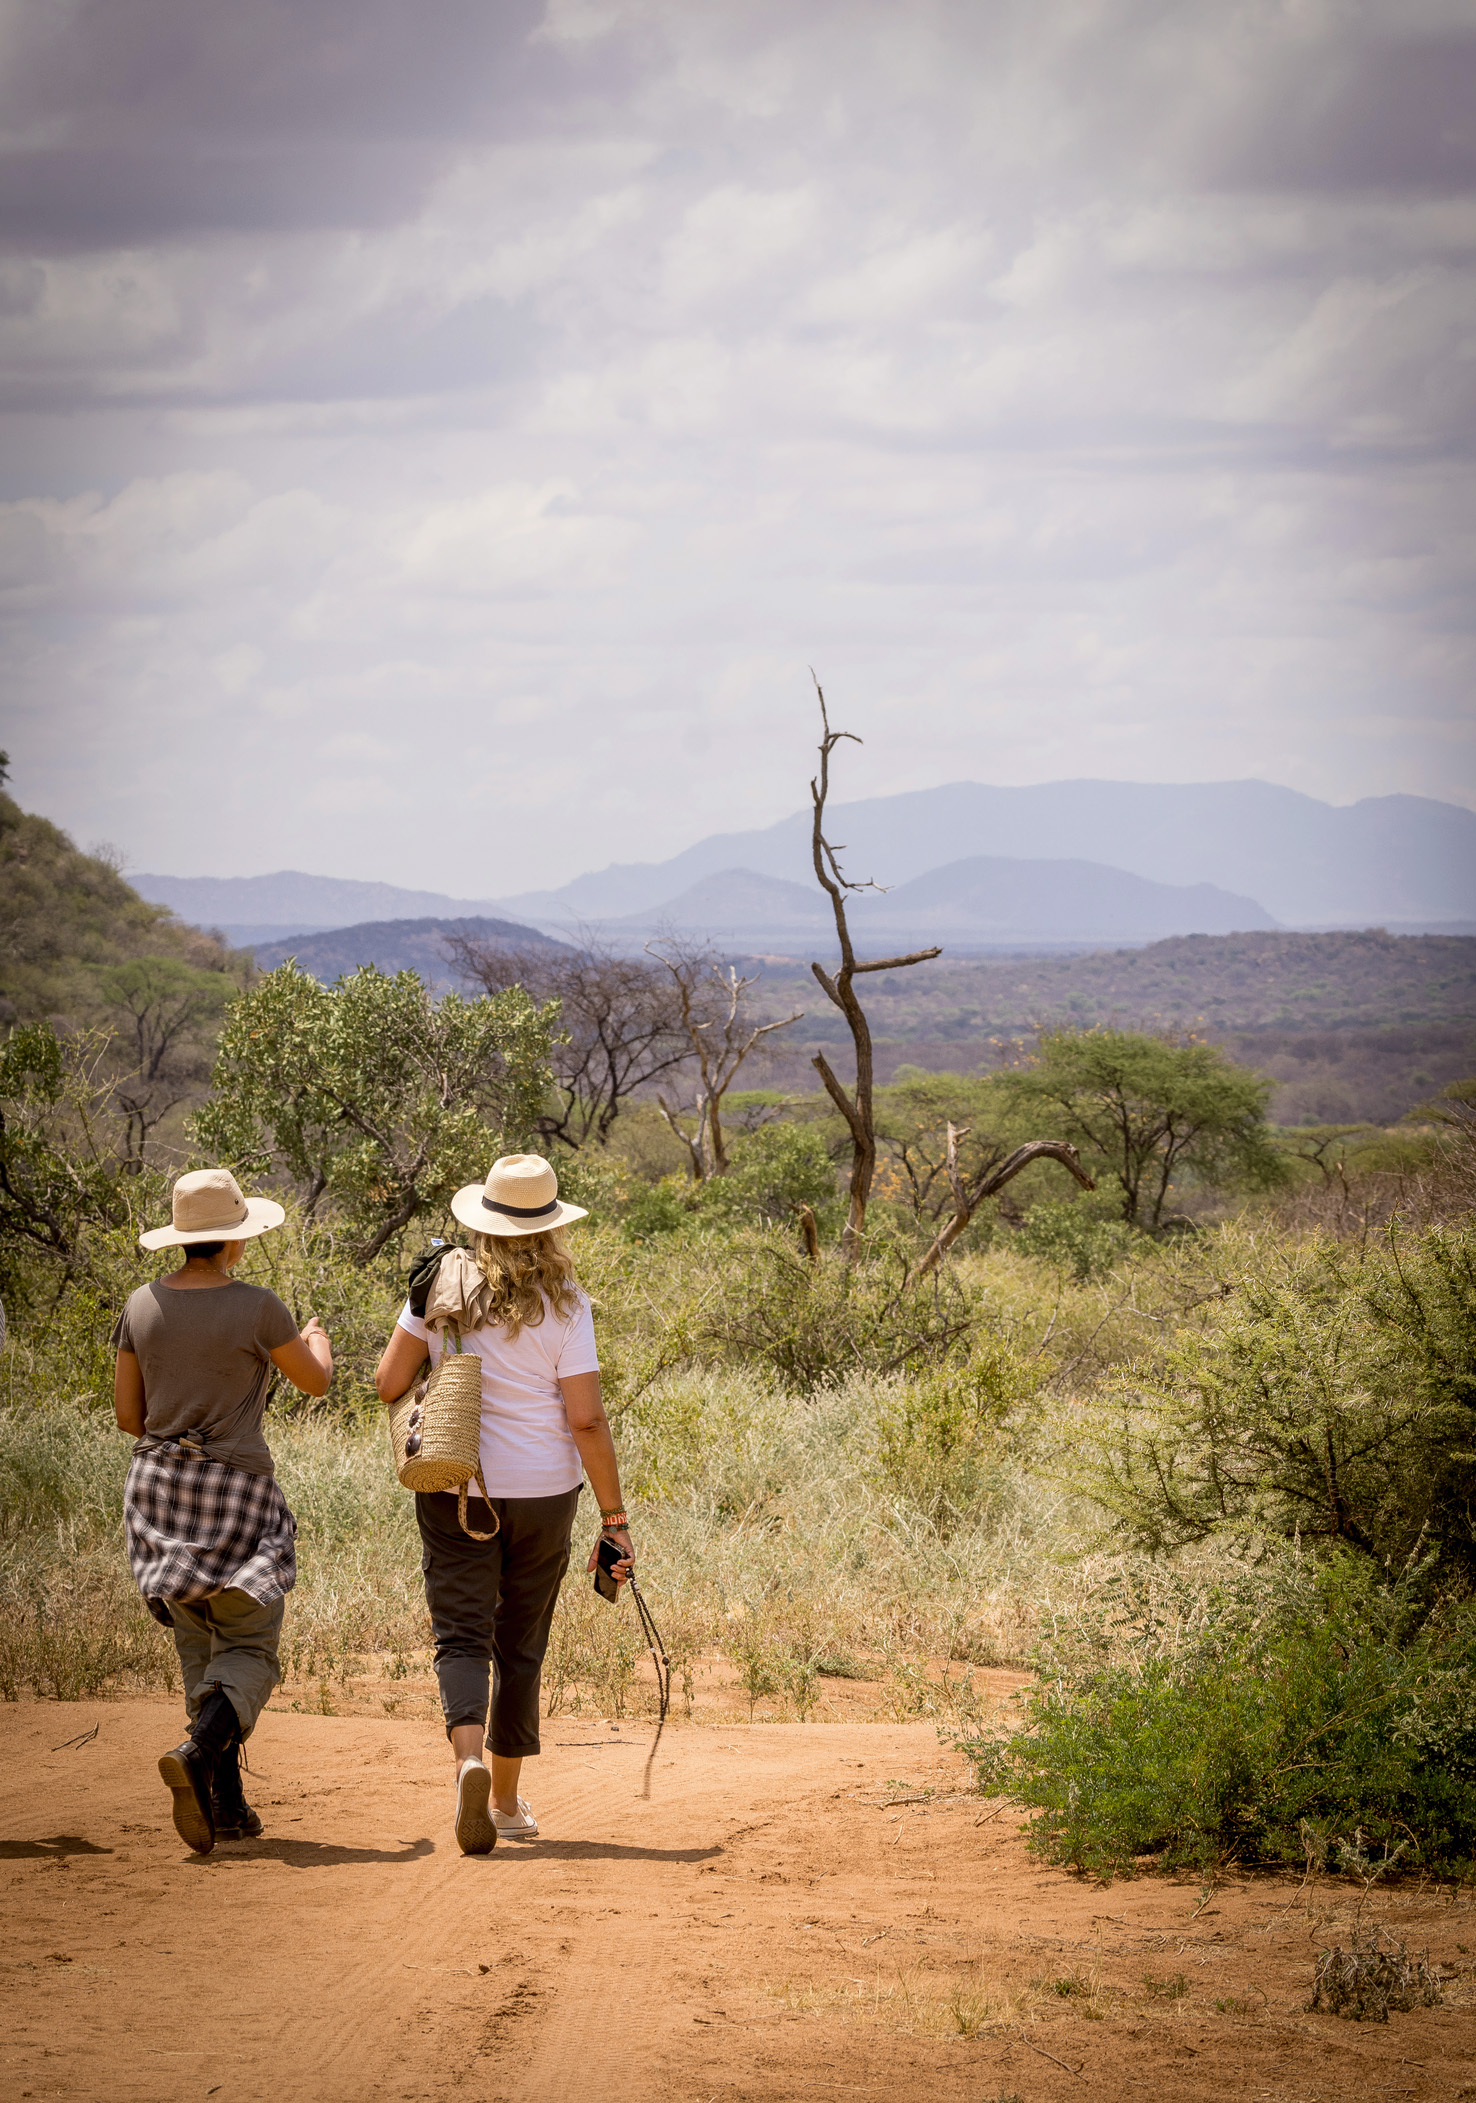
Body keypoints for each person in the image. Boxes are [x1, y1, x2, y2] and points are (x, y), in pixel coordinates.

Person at [374, 1152, 633, 1856]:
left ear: (482, 1222)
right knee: (520, 1642)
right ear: (550, 1228)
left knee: (461, 1634)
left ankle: (468, 1761)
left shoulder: (437, 1284)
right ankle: (509, 1799)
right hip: (547, 1494)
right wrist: (614, 1516)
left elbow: (387, 1378)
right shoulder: (569, 1303)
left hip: (455, 1483)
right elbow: (585, 1418)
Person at [113, 1167, 333, 1854]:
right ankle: (199, 1751)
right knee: (249, 1648)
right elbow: (316, 1382)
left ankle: (226, 1802)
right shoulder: (260, 1307)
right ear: (235, 1241)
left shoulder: (140, 1305)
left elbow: (129, 1415)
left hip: (156, 1491)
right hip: (236, 1492)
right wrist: (318, 1338)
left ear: (182, 1239)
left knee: (198, 1643)